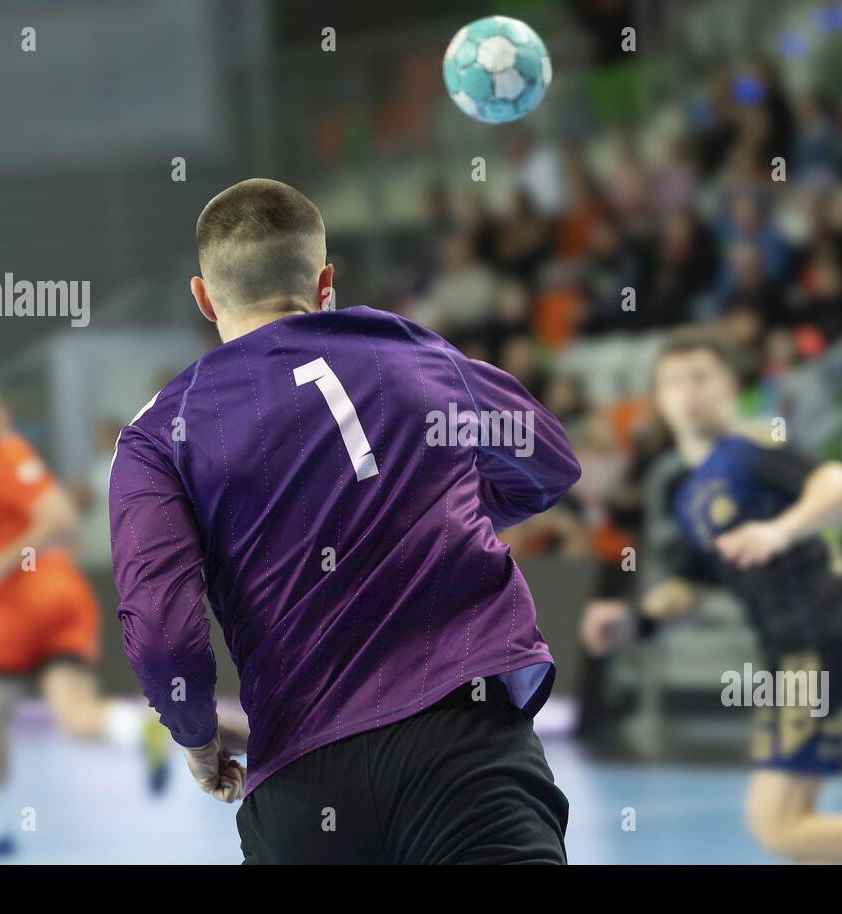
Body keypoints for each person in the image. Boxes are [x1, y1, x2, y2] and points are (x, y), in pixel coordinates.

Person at [109, 178, 580, 864]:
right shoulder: (412, 351)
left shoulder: (158, 434)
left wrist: (196, 736)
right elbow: (549, 464)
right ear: (326, 281)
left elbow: (161, 635)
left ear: (204, 297)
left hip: (303, 780)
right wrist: (433, 503)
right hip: (467, 746)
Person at [580, 329, 842, 864]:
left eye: (700, 377)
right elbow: (686, 590)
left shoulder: (751, 451)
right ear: (658, 398)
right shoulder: (684, 493)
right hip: (795, 652)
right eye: (672, 381)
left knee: (777, 824)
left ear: (730, 385)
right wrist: (634, 624)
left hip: (820, 641)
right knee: (788, 822)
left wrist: (780, 530)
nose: (686, 391)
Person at [0, 381, 245, 855]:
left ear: (0, 413)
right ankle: (140, 729)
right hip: (59, 599)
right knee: (74, 714)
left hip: (24, 607)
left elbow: (59, 518)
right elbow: (47, 533)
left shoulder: (6, 458)